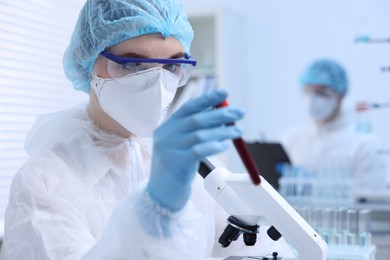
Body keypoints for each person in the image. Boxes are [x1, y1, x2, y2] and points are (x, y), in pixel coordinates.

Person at [3, 0, 294, 259]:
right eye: (133, 64)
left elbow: (249, 247)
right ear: (88, 63)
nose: (157, 84)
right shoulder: (44, 182)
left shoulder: (182, 163)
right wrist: (156, 212)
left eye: (172, 66)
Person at [280, 59, 387, 199]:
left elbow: (371, 205)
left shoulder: (364, 144)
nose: (312, 99)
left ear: (340, 95)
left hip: (347, 220)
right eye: (308, 91)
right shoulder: (291, 139)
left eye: (321, 92)